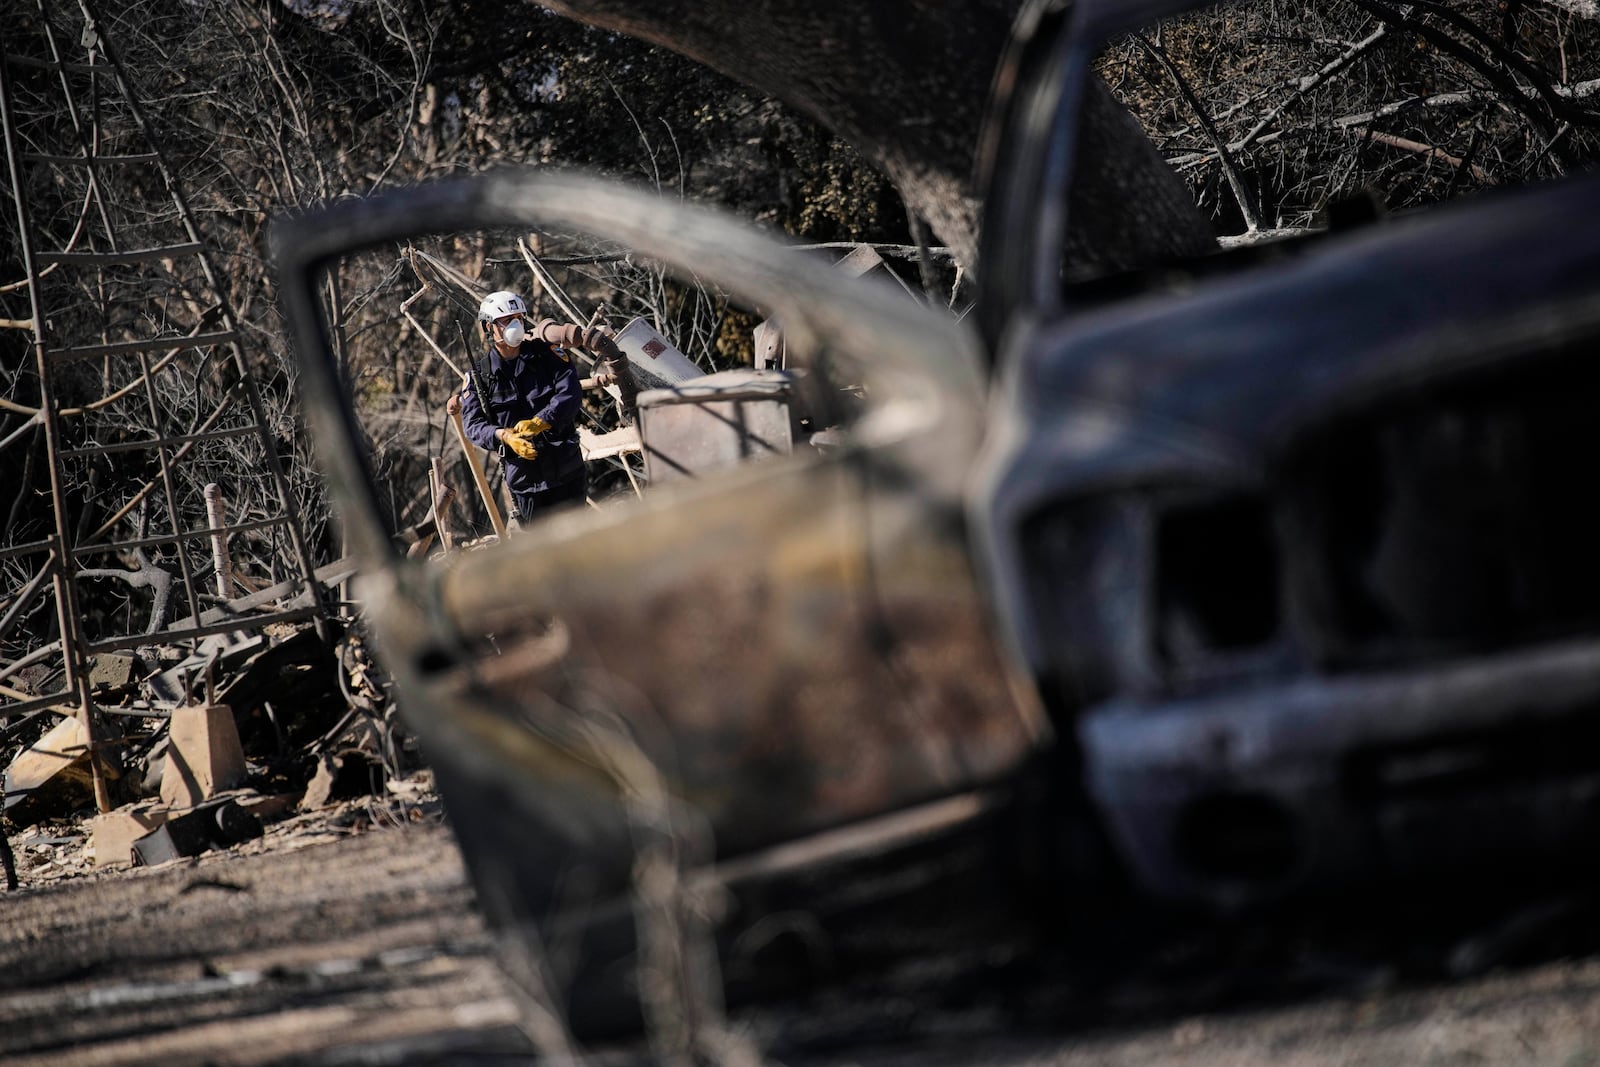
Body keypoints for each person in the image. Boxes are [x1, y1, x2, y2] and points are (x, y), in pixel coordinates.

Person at [453, 290, 617, 525]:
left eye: (519, 318)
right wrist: (504, 436)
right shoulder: (480, 377)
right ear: (489, 327)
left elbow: (570, 394)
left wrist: (541, 421)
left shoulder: (548, 355)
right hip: (526, 483)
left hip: (566, 472)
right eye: (507, 321)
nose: (515, 326)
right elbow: (473, 426)